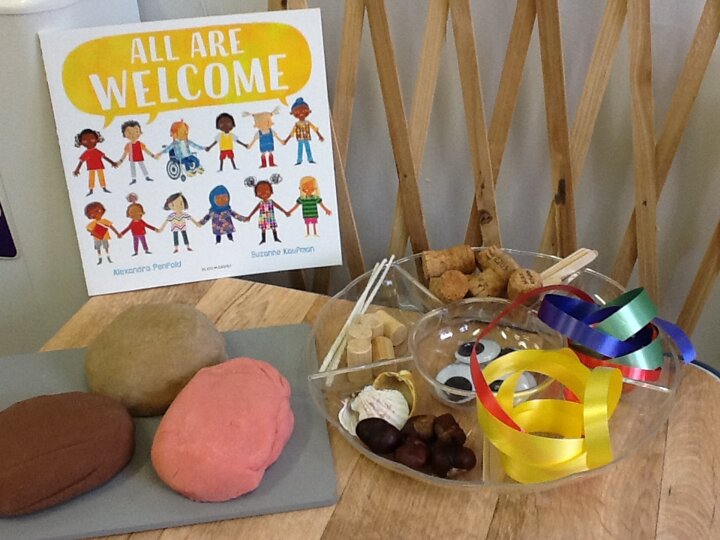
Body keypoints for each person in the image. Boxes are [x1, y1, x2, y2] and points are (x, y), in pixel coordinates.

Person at [244, 174, 290, 244]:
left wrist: (285, 212)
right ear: (256, 194)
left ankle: (276, 238)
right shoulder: (261, 203)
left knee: (273, 227)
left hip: (270, 217)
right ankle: (263, 239)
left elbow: (278, 206)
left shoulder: (271, 202)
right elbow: (255, 210)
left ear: (271, 192)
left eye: (267, 191)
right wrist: (250, 216)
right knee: (263, 228)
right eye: (260, 192)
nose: (264, 194)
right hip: (263, 217)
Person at [73, 129, 118, 196]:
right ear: (81, 142)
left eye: (92, 139)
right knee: (91, 178)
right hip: (91, 167)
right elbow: (81, 161)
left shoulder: (96, 151)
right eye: (85, 141)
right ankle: (91, 189)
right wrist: (77, 170)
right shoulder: (86, 153)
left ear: (97, 140)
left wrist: (112, 163)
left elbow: (104, 157)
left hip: (99, 166)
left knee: (101, 177)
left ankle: (104, 187)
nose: (89, 142)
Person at [283, 97, 324, 165]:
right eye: (297, 112)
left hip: (306, 138)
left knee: (308, 148)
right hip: (300, 139)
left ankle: (310, 159)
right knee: (300, 149)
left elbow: (314, 128)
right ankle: (299, 160)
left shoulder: (307, 122)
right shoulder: (297, 124)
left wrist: (320, 135)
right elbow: (292, 133)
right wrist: (286, 140)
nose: (301, 114)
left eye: (304, 111)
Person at [116, 120, 157, 184]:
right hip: (132, 158)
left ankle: (146, 176)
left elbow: (146, 150)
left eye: (136, 131)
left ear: (140, 132)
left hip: (139, 157)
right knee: (133, 168)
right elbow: (124, 154)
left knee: (142, 166)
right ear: (124, 135)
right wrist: (120, 161)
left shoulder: (140, 144)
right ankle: (134, 179)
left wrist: (152, 155)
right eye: (129, 133)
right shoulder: (128, 145)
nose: (133, 135)